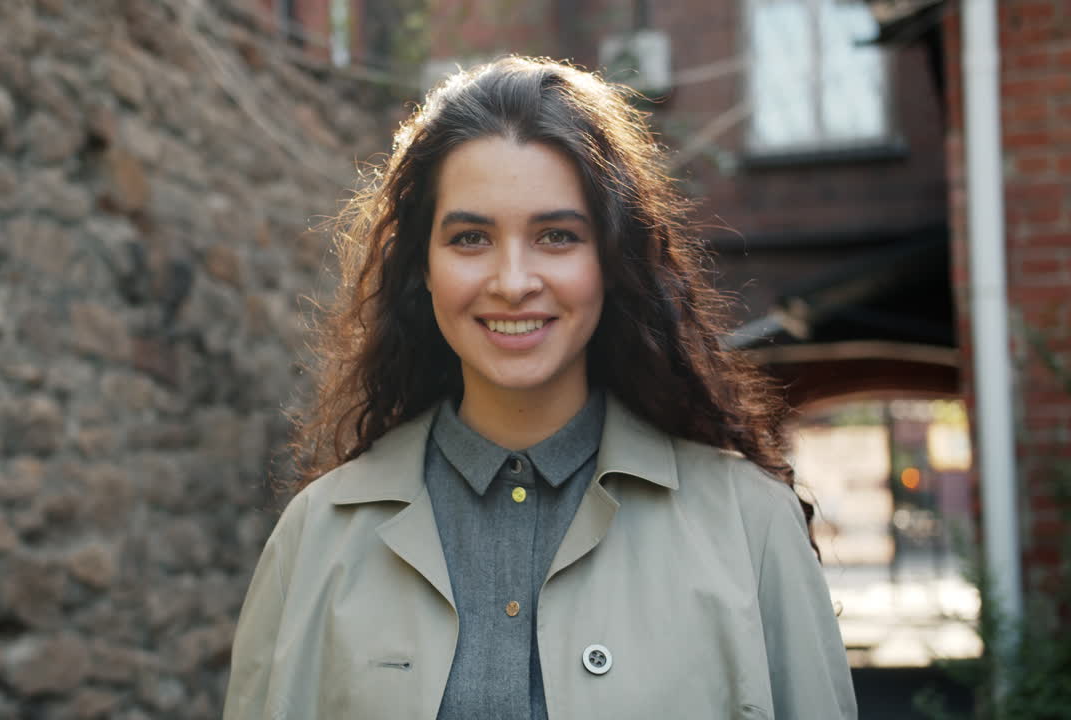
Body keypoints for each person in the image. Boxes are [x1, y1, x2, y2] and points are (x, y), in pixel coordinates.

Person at [223, 57, 858, 719]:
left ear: (610, 259)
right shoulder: (316, 538)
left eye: (557, 236)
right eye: (471, 238)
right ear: (423, 267)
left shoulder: (751, 526)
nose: (513, 281)